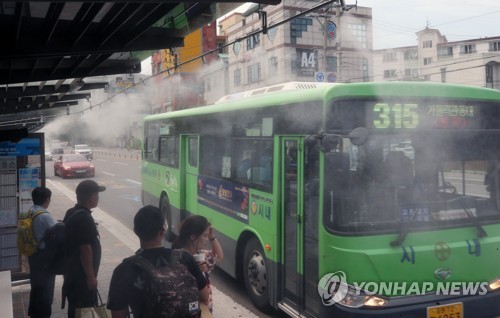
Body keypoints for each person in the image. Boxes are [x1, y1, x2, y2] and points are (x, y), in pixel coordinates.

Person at [107, 205, 209, 318]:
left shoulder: (124, 269)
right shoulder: (184, 257)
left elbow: (117, 314)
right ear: (162, 232)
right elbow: (205, 296)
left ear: (136, 231)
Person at [62, 180, 106, 318]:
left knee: (76, 311)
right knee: (85, 311)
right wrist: (91, 277)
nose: (98, 197)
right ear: (91, 197)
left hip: (72, 275)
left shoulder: (72, 212)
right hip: (81, 279)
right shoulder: (84, 218)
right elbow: (85, 250)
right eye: (97, 194)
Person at [172, 215, 224, 314]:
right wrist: (197, 273)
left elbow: (219, 257)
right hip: (194, 310)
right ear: (193, 237)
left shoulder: (201, 255)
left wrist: (212, 237)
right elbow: (184, 290)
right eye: (204, 236)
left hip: (205, 309)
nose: (207, 239)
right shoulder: (180, 259)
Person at [27, 187, 56, 318]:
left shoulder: (31, 211)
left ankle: (34, 313)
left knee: (37, 286)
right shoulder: (44, 215)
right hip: (43, 257)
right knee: (46, 289)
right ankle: (43, 314)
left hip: (33, 255)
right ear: (47, 199)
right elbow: (57, 233)